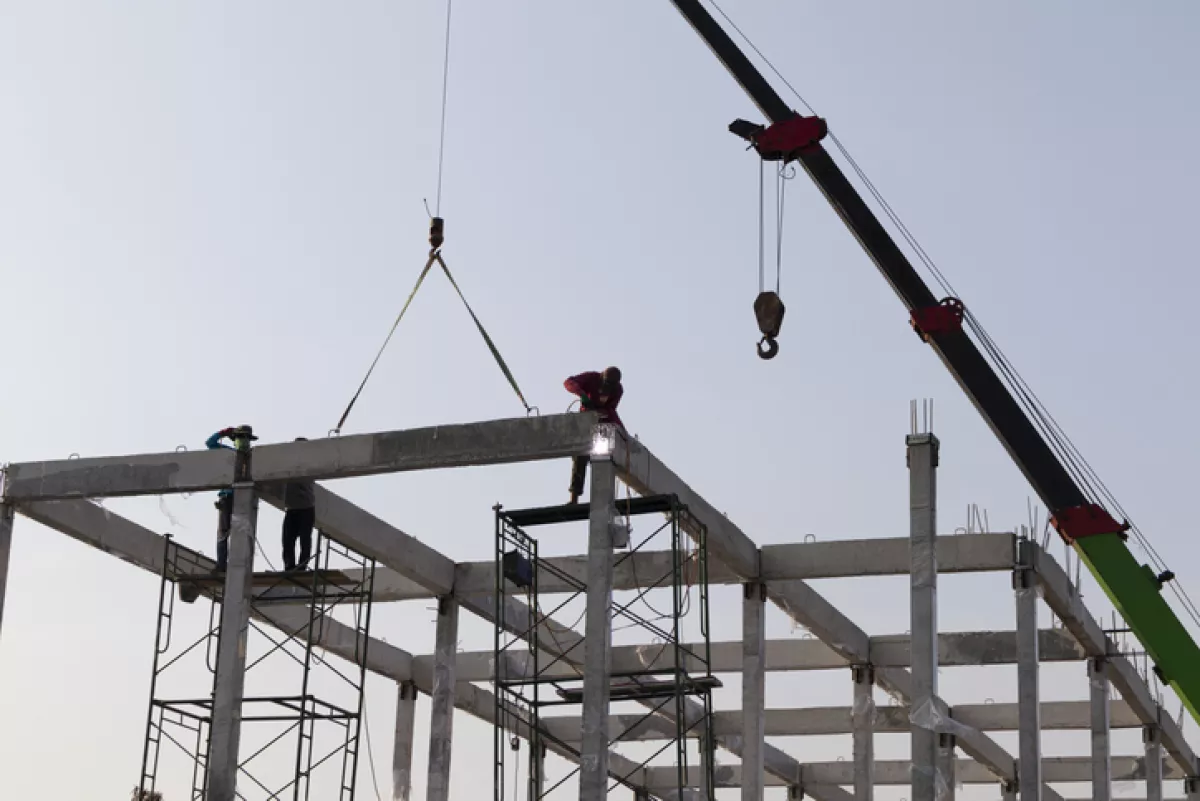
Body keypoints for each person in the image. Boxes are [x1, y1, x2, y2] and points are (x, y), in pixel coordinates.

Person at [564, 366, 625, 504]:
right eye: (606, 384)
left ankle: (603, 500)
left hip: (603, 423)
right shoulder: (591, 378)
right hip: (585, 423)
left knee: (604, 459)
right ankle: (574, 498)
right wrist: (582, 394)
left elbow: (610, 409)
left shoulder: (617, 390)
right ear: (602, 377)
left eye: (610, 385)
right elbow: (569, 382)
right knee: (580, 457)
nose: (607, 388)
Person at [205, 427, 237, 571]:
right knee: (226, 532)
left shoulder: (235, 454)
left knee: (228, 532)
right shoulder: (229, 453)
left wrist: (223, 433)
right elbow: (210, 443)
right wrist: (223, 433)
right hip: (230, 496)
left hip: (236, 496)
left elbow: (210, 443)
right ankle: (223, 564)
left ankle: (223, 564)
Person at [281, 438, 316, 571]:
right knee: (287, 540)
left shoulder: (307, 464)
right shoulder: (290, 463)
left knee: (304, 540)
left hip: (306, 508)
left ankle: (302, 566)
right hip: (292, 508)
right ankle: (290, 565)